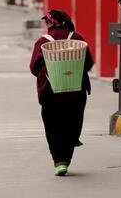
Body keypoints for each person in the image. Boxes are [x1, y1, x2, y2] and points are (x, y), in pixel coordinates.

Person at [29, 10, 94, 177]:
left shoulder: (43, 42)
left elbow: (34, 68)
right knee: (72, 122)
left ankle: (59, 162)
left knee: (52, 125)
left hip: (51, 91)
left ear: (50, 23)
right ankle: (67, 158)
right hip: (76, 90)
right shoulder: (77, 38)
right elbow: (88, 63)